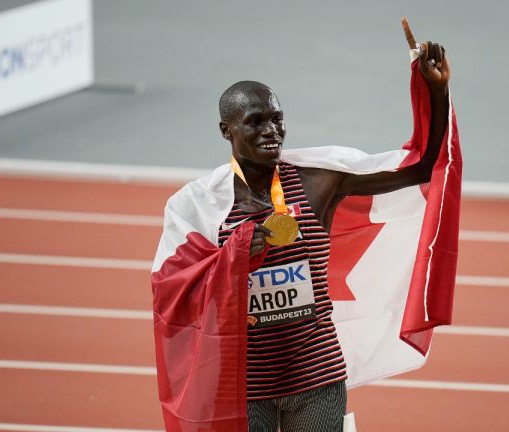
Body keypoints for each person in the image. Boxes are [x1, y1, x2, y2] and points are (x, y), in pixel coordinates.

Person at [151, 18, 457, 432]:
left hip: (317, 374)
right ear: (226, 130)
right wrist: (237, 252)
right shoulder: (201, 206)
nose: (271, 131)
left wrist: (434, 91)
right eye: (255, 121)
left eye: (277, 118)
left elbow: (420, 167)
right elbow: (174, 288)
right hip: (246, 381)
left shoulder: (318, 183)